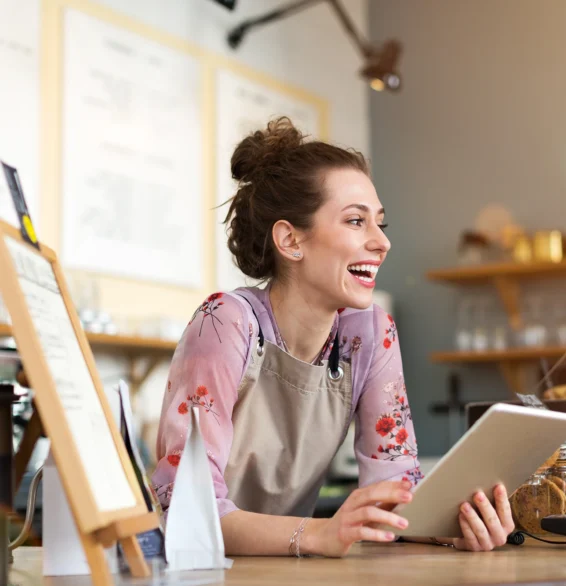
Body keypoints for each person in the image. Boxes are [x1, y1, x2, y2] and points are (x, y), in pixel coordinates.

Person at [151, 117, 515, 557]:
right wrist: (318, 534)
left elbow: (393, 488)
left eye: (380, 223)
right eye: (356, 221)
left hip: (289, 572)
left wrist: (445, 527)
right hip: (196, 572)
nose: (382, 242)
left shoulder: (370, 332)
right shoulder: (225, 322)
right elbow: (189, 508)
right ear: (290, 239)